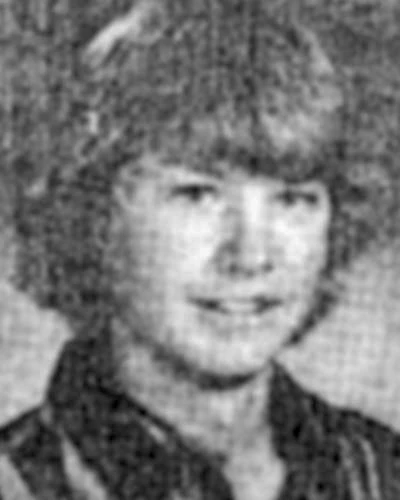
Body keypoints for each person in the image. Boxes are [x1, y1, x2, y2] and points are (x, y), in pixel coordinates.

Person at [1, 1, 400, 498]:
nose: (251, 256)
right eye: (197, 195)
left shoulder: (380, 470)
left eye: (293, 199)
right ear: (92, 217)